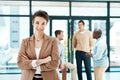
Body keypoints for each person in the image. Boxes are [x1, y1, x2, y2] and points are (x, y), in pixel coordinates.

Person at [17, 10, 60, 80]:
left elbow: (55, 63)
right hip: (28, 77)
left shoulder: (53, 41)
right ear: (33, 23)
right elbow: (20, 62)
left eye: (43, 23)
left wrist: (34, 65)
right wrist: (42, 61)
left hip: (50, 77)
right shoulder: (25, 42)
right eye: (37, 23)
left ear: (46, 24)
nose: (40, 26)